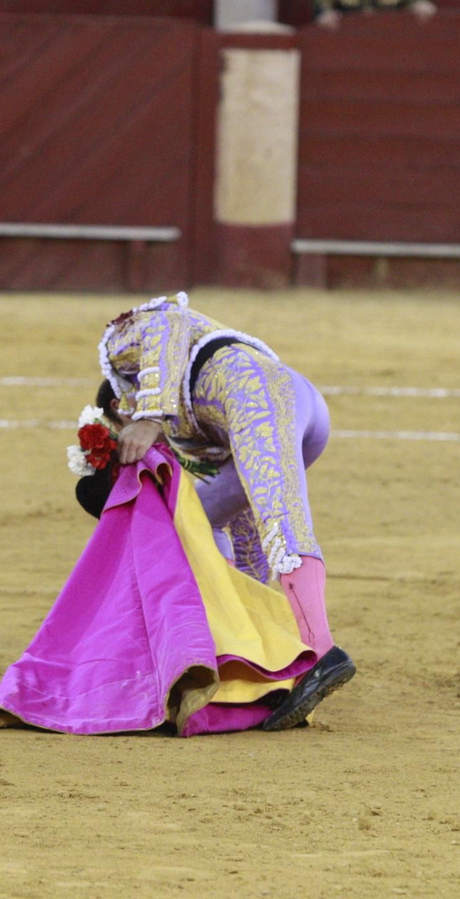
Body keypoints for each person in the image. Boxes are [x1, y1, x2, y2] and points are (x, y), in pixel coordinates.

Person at [100, 293, 355, 732]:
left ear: (118, 408)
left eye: (121, 431)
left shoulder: (119, 344)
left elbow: (171, 322)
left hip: (263, 393)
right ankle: (253, 654)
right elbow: (242, 532)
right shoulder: (188, 422)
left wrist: (149, 416)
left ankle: (321, 650)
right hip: (282, 410)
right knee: (205, 518)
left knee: (282, 519)